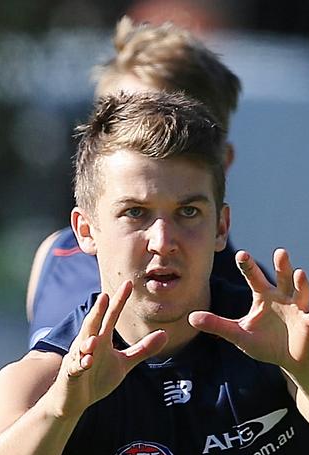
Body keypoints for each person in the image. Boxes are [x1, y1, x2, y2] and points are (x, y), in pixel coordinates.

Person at [0, 92, 309, 455]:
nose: (163, 241)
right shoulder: (48, 377)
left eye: (188, 212)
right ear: (86, 231)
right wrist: (61, 411)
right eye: (135, 214)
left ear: (221, 226)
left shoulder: (289, 340)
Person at [26, 16, 246, 347]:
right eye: (114, 122)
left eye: (174, 129)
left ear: (221, 160)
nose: (140, 140)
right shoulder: (56, 255)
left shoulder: (252, 305)